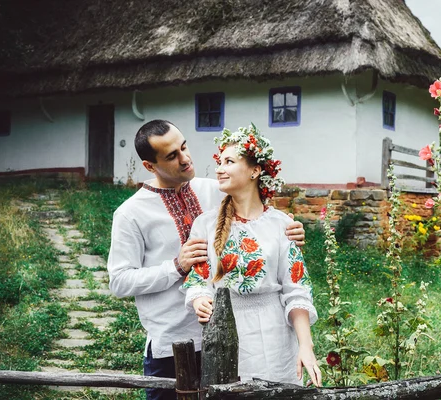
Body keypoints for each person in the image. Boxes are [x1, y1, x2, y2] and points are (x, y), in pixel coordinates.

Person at [107, 120, 305, 400]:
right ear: (150, 166)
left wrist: (291, 229)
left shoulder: (215, 189)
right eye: (172, 156)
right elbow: (119, 281)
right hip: (174, 345)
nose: (185, 159)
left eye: (184, 146)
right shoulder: (130, 214)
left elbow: (259, 219)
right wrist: (176, 266)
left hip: (230, 339)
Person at [182, 124, 321, 387]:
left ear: (255, 171)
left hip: (276, 334)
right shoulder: (205, 225)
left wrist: (306, 345)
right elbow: (199, 279)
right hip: (224, 333)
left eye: (229, 161)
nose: (219, 169)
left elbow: (296, 290)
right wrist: (200, 298)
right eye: (219, 162)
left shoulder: (282, 225)